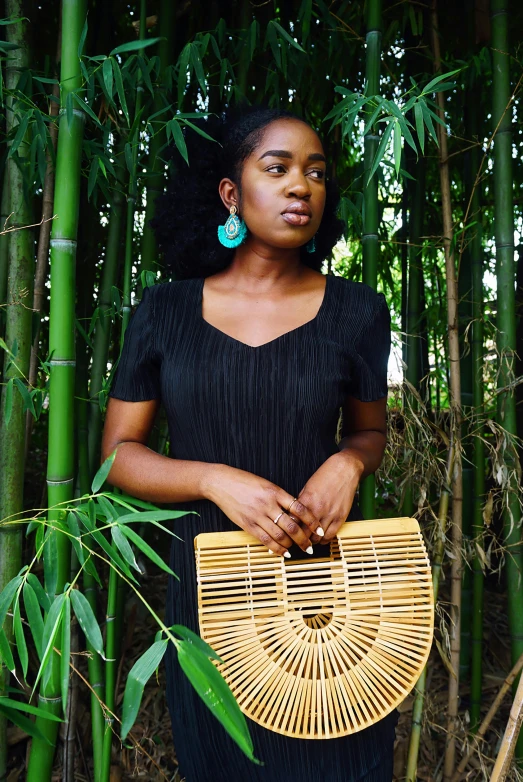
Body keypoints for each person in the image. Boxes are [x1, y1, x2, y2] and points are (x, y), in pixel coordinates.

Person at [102, 106, 397, 781]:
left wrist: (349, 461)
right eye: (279, 168)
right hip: (208, 596)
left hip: (324, 592)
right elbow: (118, 455)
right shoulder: (164, 312)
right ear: (230, 193)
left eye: (316, 173)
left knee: (339, 763)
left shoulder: (357, 311)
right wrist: (213, 480)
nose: (302, 186)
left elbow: (368, 430)